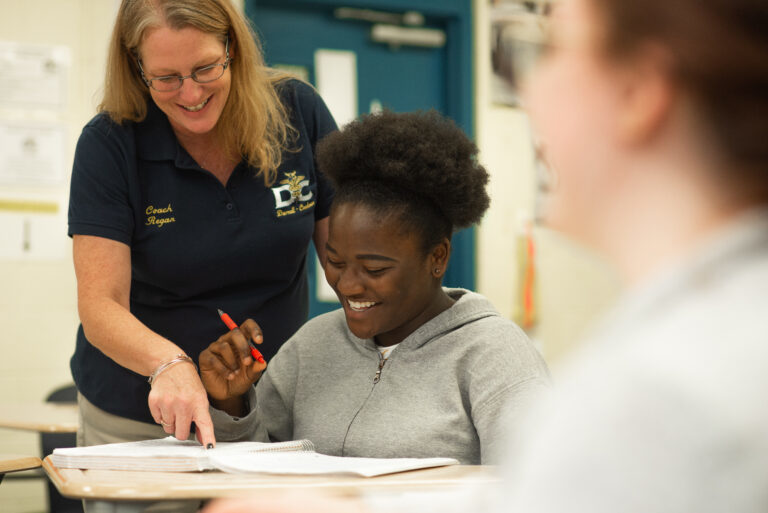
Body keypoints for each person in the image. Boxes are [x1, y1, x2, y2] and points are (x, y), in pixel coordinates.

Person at [203, 0, 768, 511]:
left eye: (546, 49)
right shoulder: (693, 335)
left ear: (640, 91)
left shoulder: (667, 385)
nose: (529, 89)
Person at [68, 0, 335, 466]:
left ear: (232, 48)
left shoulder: (297, 111)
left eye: (205, 68)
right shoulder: (111, 144)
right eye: (166, 78)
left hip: (273, 407)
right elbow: (100, 305)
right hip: (142, 416)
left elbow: (351, 259)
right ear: (137, 68)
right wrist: (169, 365)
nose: (190, 93)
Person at [199, 110, 551, 465]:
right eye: (335, 262)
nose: (348, 285)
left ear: (437, 258)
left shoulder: (493, 356)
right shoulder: (311, 347)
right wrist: (231, 404)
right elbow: (257, 471)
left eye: (374, 269)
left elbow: (535, 487)